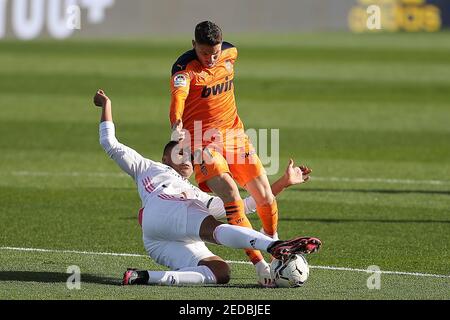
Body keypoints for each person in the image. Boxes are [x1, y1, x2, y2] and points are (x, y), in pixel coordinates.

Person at [93, 89, 321, 286]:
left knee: (220, 272)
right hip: (162, 209)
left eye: (191, 156)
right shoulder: (147, 167)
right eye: (181, 152)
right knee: (212, 227)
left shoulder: (196, 194)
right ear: (165, 157)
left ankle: (142, 277)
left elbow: (244, 206)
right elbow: (109, 143)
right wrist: (107, 105)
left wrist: (284, 182)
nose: (187, 159)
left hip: (157, 240)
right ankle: (274, 246)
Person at [169, 20, 289, 284]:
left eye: (215, 52)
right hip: (200, 140)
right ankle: (259, 265)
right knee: (230, 192)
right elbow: (178, 97)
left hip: (235, 136)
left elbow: (225, 56)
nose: (210, 59)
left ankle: (274, 244)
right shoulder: (184, 69)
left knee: (265, 197)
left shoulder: (230, 54)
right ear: (193, 46)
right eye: (203, 53)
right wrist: (177, 122)